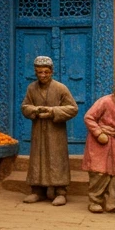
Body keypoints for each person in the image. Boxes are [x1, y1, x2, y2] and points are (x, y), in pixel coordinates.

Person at [20, 56, 79, 206]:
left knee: (57, 158)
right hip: (38, 130)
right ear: (35, 72)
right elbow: (25, 106)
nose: (43, 75)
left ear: (51, 72)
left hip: (55, 131)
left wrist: (53, 111)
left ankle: (60, 191)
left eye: (46, 72)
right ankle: (37, 190)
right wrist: (36, 110)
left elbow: (72, 108)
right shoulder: (31, 88)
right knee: (38, 158)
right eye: (39, 72)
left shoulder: (60, 88)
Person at [82, 73, 115, 214]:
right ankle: (95, 201)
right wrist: (98, 133)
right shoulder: (104, 101)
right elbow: (89, 117)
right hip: (99, 142)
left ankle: (113, 203)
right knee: (99, 172)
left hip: (114, 142)